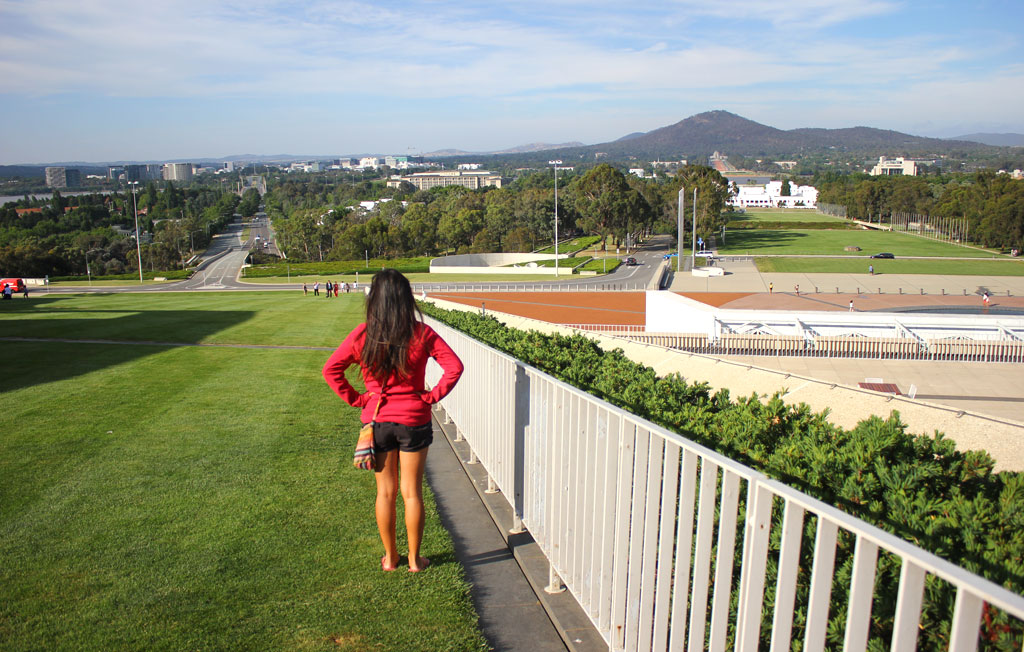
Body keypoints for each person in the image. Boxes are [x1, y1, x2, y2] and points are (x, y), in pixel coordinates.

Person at [323, 269, 463, 572]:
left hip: (378, 422)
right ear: (405, 298)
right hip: (414, 418)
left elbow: (331, 370)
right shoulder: (421, 333)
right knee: (412, 492)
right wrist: (431, 396)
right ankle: (415, 560)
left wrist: (360, 399)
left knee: (384, 492)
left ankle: (391, 558)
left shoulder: (363, 334)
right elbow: (454, 366)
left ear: (375, 300)